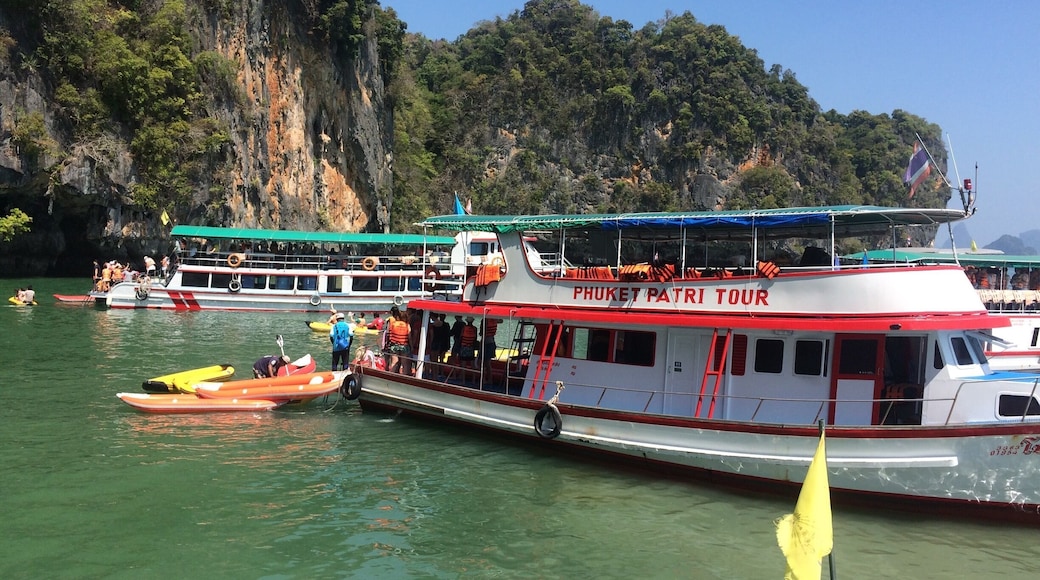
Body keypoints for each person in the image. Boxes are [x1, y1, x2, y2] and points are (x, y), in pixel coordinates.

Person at [386, 307, 411, 374]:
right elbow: (409, 336)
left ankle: (392, 375)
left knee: (394, 362)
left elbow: (390, 334)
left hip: (394, 345)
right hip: (404, 345)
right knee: (404, 363)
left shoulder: (394, 324)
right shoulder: (407, 325)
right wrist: (411, 346)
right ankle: (404, 377)